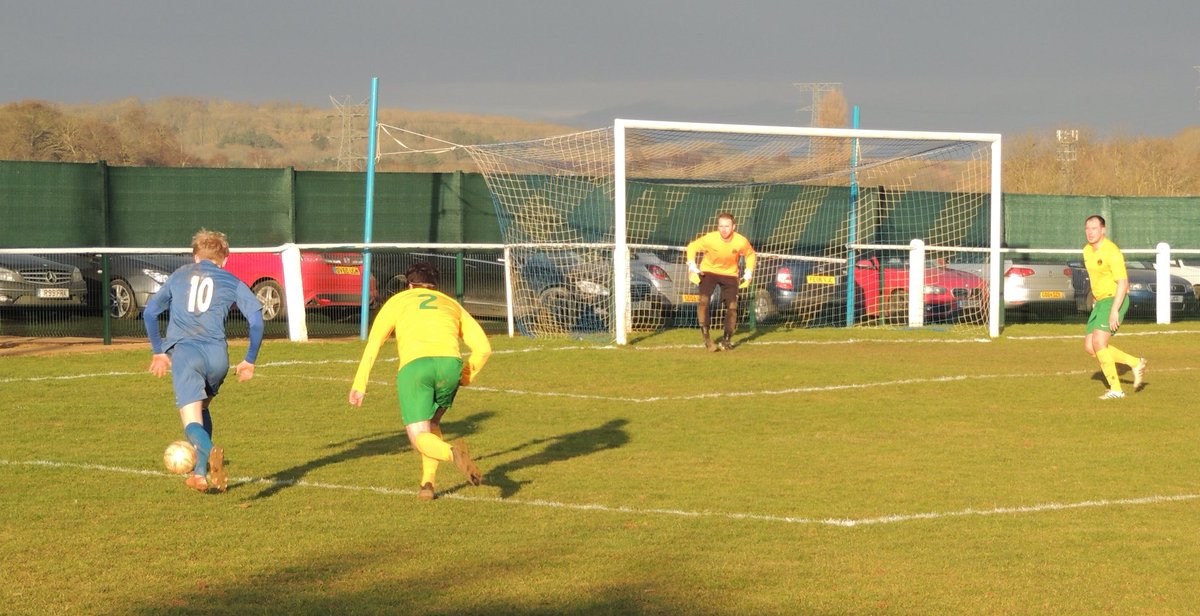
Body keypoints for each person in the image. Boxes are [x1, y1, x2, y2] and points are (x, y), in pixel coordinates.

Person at [348, 261, 492, 501]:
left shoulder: (398, 301)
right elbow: (484, 349)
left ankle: (452, 453)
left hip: (416, 367)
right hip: (450, 366)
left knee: (419, 437)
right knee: (432, 423)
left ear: (409, 284)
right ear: (435, 286)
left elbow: (375, 343)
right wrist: (465, 375)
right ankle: (427, 484)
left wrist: (360, 385)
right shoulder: (451, 303)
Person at [144, 229, 264, 492]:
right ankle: (199, 475)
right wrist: (250, 359)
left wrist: (158, 350)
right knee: (204, 409)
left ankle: (210, 453)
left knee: (191, 422)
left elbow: (151, 312)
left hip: (187, 354)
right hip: (218, 356)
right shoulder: (231, 280)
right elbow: (256, 319)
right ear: (225, 259)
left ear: (195, 257)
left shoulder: (179, 275)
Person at [1082, 214, 1147, 400]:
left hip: (1115, 299)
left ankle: (1116, 390)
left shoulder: (1112, 251)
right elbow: (1096, 278)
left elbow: (1123, 283)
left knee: (1099, 344)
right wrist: (1096, 298)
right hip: (1101, 301)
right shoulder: (1086, 251)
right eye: (1087, 228)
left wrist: (1114, 310)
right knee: (1090, 347)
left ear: (1103, 230)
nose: (1090, 232)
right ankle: (1135, 363)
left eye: (1094, 228)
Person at [685, 212, 757, 351]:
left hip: (730, 274)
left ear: (733, 227)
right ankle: (707, 338)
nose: (724, 229)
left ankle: (727, 340)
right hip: (709, 271)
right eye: (721, 226)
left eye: (727, 226)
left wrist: (748, 273)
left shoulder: (741, 241)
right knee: (703, 301)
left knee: (732, 307)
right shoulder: (710, 238)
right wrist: (692, 266)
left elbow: (750, 254)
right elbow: (692, 246)